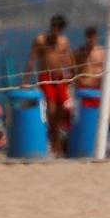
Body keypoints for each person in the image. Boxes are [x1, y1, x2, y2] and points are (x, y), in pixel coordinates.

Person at [27, 14, 73, 155]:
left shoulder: (64, 41)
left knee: (62, 110)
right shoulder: (41, 40)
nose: (57, 31)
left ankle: (56, 139)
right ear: (52, 26)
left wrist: (73, 75)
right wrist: (25, 81)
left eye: (60, 28)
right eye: (55, 27)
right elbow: (32, 61)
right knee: (51, 110)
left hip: (60, 78)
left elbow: (68, 60)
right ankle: (54, 142)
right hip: (46, 77)